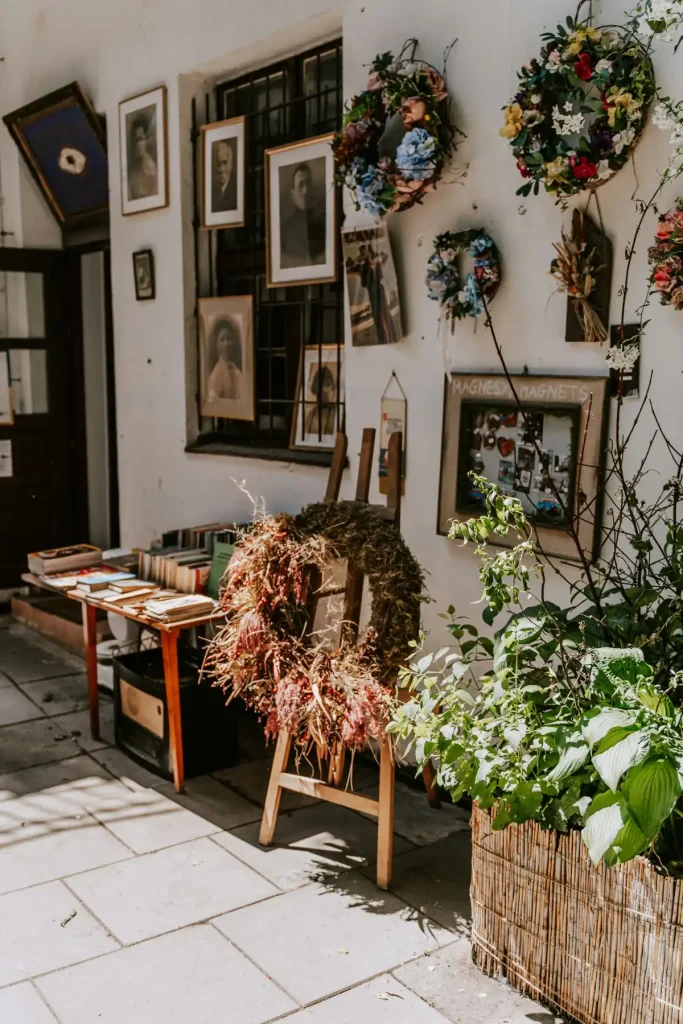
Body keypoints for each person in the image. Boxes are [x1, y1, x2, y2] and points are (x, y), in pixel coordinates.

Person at [281, 162, 326, 268]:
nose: (305, 190)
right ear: (292, 194)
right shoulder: (285, 228)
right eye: (301, 185)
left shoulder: (323, 222)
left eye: (308, 184)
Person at [207, 318, 242, 401]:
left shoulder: (236, 370)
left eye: (229, 338)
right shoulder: (215, 376)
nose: (226, 344)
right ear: (216, 345)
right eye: (222, 339)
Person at [127, 111, 158, 201]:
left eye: (141, 139)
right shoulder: (133, 169)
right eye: (136, 140)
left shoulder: (152, 166)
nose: (138, 144)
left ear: (146, 140)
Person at [304, 364, 337, 435]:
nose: (325, 390)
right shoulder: (311, 415)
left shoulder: (337, 413)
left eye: (328, 384)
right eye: (321, 386)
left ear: (332, 387)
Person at [212, 139, 237, 212]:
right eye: (218, 164)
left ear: (231, 164)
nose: (221, 169)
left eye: (225, 163)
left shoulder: (236, 192)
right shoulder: (211, 193)